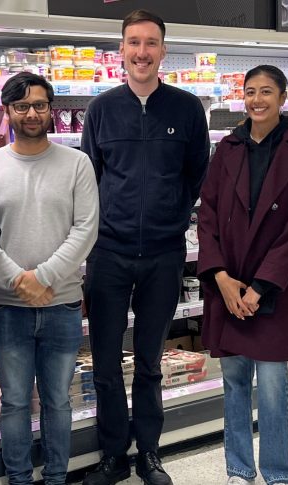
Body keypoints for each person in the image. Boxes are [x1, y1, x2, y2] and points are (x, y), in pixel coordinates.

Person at [80, 9, 210, 485]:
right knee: (106, 360)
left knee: (151, 360)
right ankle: (113, 454)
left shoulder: (187, 108)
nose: (142, 52)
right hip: (108, 253)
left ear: (163, 50)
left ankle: (149, 453)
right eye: (133, 42)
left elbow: (197, 174)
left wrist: (172, 217)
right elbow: (88, 177)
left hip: (163, 253)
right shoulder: (101, 110)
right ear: (121, 50)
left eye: (150, 43)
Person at [197, 65, 288, 485]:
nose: (257, 100)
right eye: (250, 92)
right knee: (233, 381)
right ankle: (239, 469)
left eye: (266, 91)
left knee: (271, 384)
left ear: (283, 98)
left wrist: (262, 286)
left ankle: (279, 473)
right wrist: (221, 278)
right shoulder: (227, 147)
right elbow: (207, 215)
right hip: (228, 283)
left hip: (275, 286)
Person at [0, 72, 99, 485]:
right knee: (13, 402)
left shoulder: (77, 163)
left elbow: (85, 229)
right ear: (8, 111)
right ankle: (18, 479)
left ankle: (57, 478)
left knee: (57, 402)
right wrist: (19, 281)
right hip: (6, 306)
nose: (32, 113)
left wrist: (43, 277)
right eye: (22, 106)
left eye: (40, 105)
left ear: (52, 109)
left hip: (62, 303)